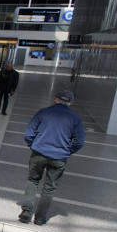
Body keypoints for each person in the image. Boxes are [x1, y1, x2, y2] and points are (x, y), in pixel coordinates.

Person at [18, 90, 85, 225]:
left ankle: (26, 212)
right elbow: (79, 142)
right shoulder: (76, 119)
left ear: (55, 99)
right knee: (49, 187)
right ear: (71, 103)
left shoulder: (43, 112)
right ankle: (40, 218)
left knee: (33, 181)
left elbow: (28, 133)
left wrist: (33, 145)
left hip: (39, 152)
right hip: (59, 157)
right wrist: (66, 151)